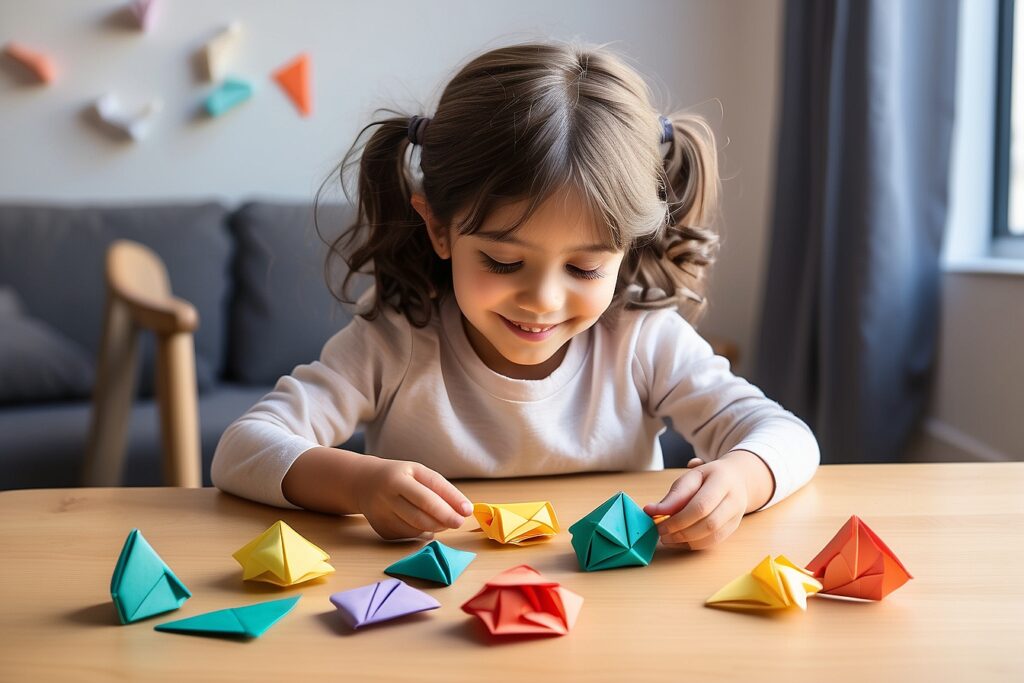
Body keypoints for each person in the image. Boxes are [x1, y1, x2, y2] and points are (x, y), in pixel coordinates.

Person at [211, 40, 819, 550]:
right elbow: (241, 449)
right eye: (504, 261)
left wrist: (741, 479)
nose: (542, 301)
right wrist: (358, 484)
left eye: (584, 268)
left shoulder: (641, 338)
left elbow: (787, 437)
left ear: (627, 252)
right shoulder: (397, 340)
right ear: (439, 228)